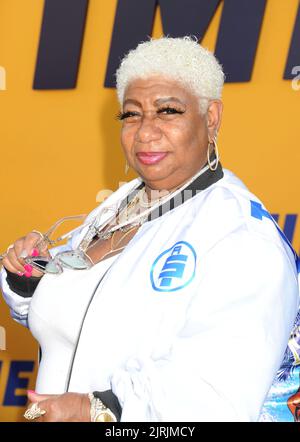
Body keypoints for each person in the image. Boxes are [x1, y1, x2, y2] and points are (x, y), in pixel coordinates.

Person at [0, 36, 299, 422]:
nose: (145, 132)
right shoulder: (124, 206)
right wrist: (29, 280)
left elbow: (216, 399)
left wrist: (98, 411)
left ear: (211, 119)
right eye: (131, 114)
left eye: (168, 111)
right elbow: (81, 316)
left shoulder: (241, 237)